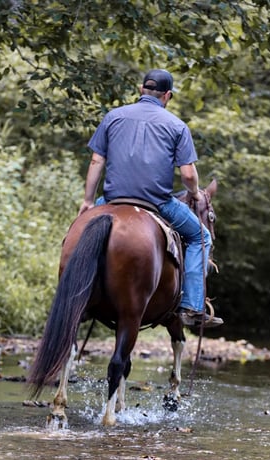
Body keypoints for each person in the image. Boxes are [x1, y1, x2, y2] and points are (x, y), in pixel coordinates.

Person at [78, 68, 223, 328]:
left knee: (78, 232)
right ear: (167, 96)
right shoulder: (177, 126)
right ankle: (192, 306)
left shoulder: (113, 117)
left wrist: (89, 201)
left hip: (112, 200)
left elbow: (96, 160)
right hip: (157, 202)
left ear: (141, 90)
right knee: (202, 237)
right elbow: (189, 175)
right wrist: (194, 194)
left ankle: (79, 295)